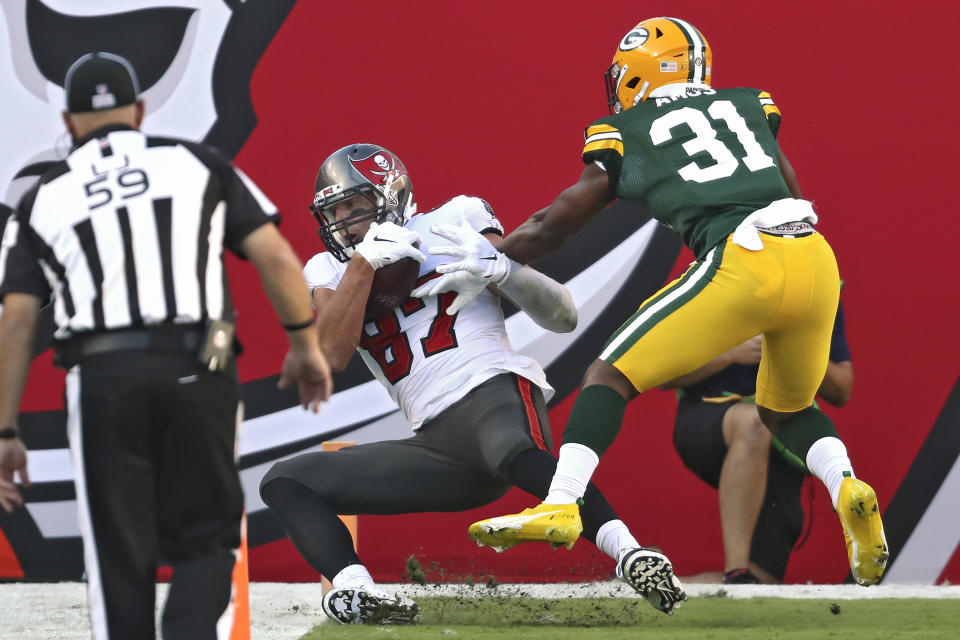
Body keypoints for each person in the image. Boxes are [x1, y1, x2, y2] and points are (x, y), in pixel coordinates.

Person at [434, 17, 887, 588]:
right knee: (786, 408)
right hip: (815, 255)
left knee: (608, 374)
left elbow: (557, 221)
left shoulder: (628, 128)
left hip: (743, 255)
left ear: (637, 74)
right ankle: (848, 483)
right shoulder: (748, 105)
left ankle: (562, 503)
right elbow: (790, 191)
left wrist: (494, 256)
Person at [259, 143, 686, 626]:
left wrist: (505, 269)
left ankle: (632, 555)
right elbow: (331, 354)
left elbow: (562, 316)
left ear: (391, 194)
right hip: (436, 444)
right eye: (334, 211)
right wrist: (362, 265)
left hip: (488, 390)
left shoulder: (455, 219)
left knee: (508, 448)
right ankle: (357, 592)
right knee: (287, 481)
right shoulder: (329, 268)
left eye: (354, 206)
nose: (344, 221)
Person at [0, 52, 333, 639]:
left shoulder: (40, 198)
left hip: (102, 378)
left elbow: (17, 323)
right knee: (209, 535)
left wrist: (5, 431)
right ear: (142, 110)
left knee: (117, 554)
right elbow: (276, 256)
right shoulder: (195, 162)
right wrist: (304, 345)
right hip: (198, 365)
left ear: (69, 119)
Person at [662, 299, 853, 584]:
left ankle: (652, 582)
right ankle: (736, 570)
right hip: (707, 418)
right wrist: (728, 354)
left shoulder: (819, 290)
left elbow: (841, 389)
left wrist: (799, 348)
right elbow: (662, 372)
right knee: (754, 424)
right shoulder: (708, 277)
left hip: (782, 437)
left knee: (762, 584)